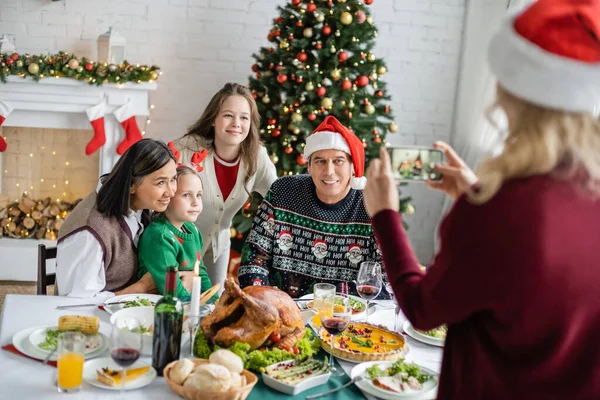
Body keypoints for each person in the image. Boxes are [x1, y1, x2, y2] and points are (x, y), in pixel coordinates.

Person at [363, 1, 600, 398]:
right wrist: (475, 193)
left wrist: (385, 213)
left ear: (510, 91)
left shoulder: (498, 210)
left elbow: (422, 309)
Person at [238, 116, 387, 299]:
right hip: (283, 314)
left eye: (338, 161)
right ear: (309, 166)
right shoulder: (283, 192)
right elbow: (253, 257)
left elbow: (387, 279)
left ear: (353, 167)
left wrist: (329, 298)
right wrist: (265, 301)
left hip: (347, 316)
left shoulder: (372, 204)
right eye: (320, 161)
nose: (329, 171)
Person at [173, 83, 277, 293]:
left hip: (217, 248)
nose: (236, 124)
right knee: (175, 304)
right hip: (176, 245)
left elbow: (280, 198)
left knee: (213, 306)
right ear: (213, 119)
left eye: (244, 118)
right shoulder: (186, 149)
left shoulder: (257, 157)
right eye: (228, 115)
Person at [56, 139, 179, 298]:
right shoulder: (88, 233)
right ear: (131, 185)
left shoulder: (144, 208)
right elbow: (76, 303)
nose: (171, 192)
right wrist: (140, 288)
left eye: (173, 179)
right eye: (161, 182)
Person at [137, 162, 217, 302]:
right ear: (169, 196)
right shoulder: (159, 236)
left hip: (187, 304)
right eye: (186, 195)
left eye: (199, 195)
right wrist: (200, 309)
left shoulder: (193, 231)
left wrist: (214, 302)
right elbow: (173, 291)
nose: (195, 202)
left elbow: (201, 274)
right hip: (160, 309)